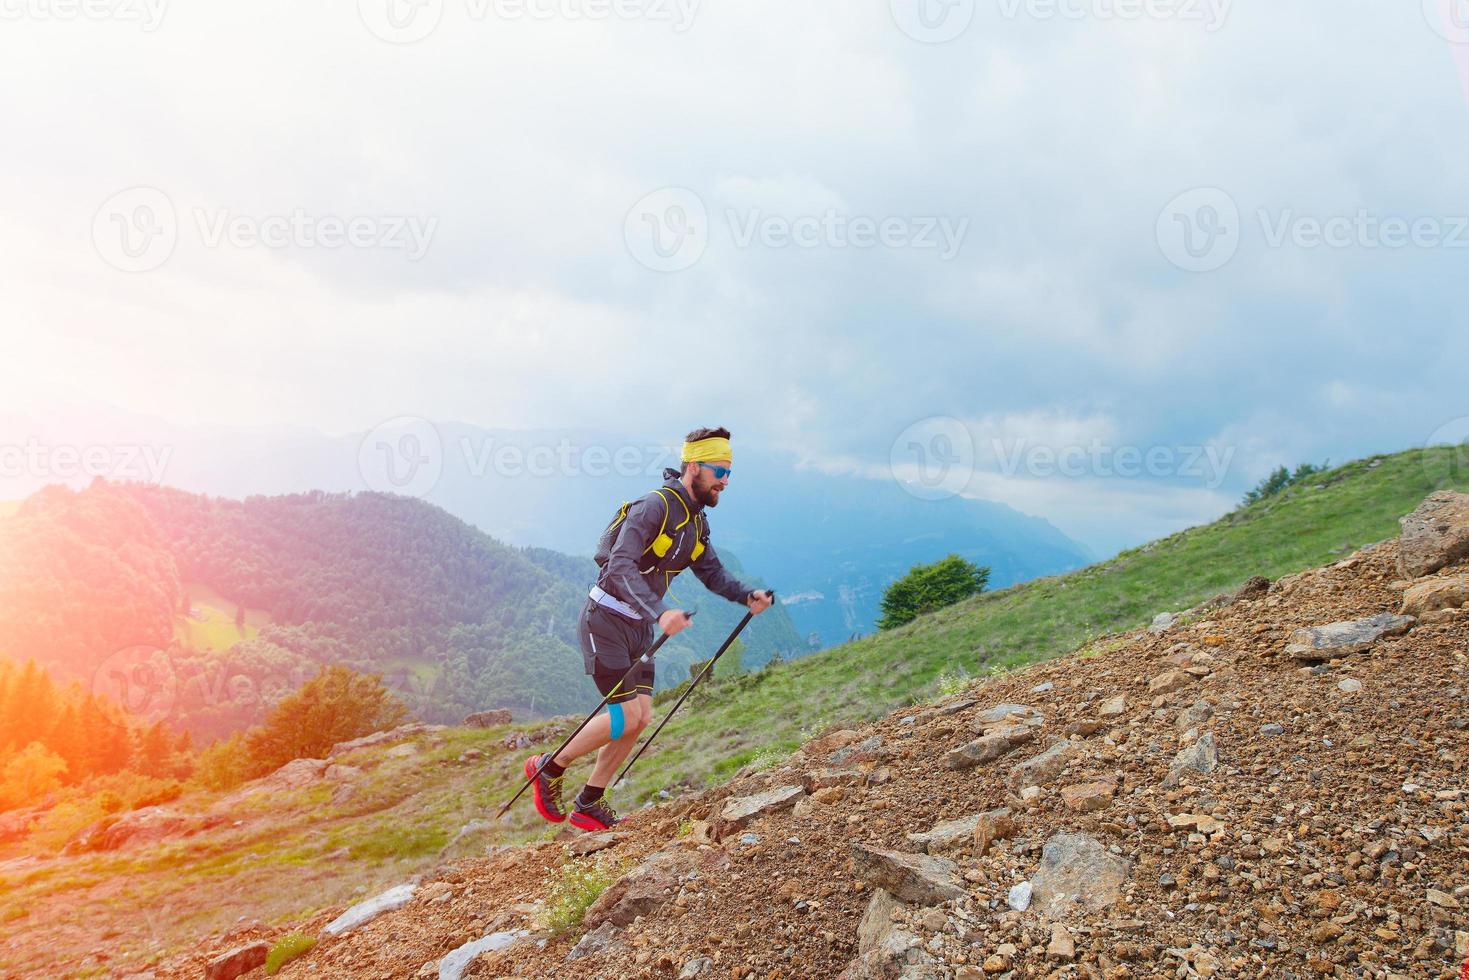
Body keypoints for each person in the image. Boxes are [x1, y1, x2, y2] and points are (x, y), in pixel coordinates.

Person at [524, 426, 774, 831]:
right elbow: (619, 565)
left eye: (729, 472)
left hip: (639, 626)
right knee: (624, 716)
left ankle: (589, 803)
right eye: (718, 470)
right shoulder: (653, 506)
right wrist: (660, 612)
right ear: (693, 466)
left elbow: (710, 572)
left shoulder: (696, 522)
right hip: (605, 620)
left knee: (639, 716)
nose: (725, 480)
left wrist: (747, 595)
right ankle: (548, 767)